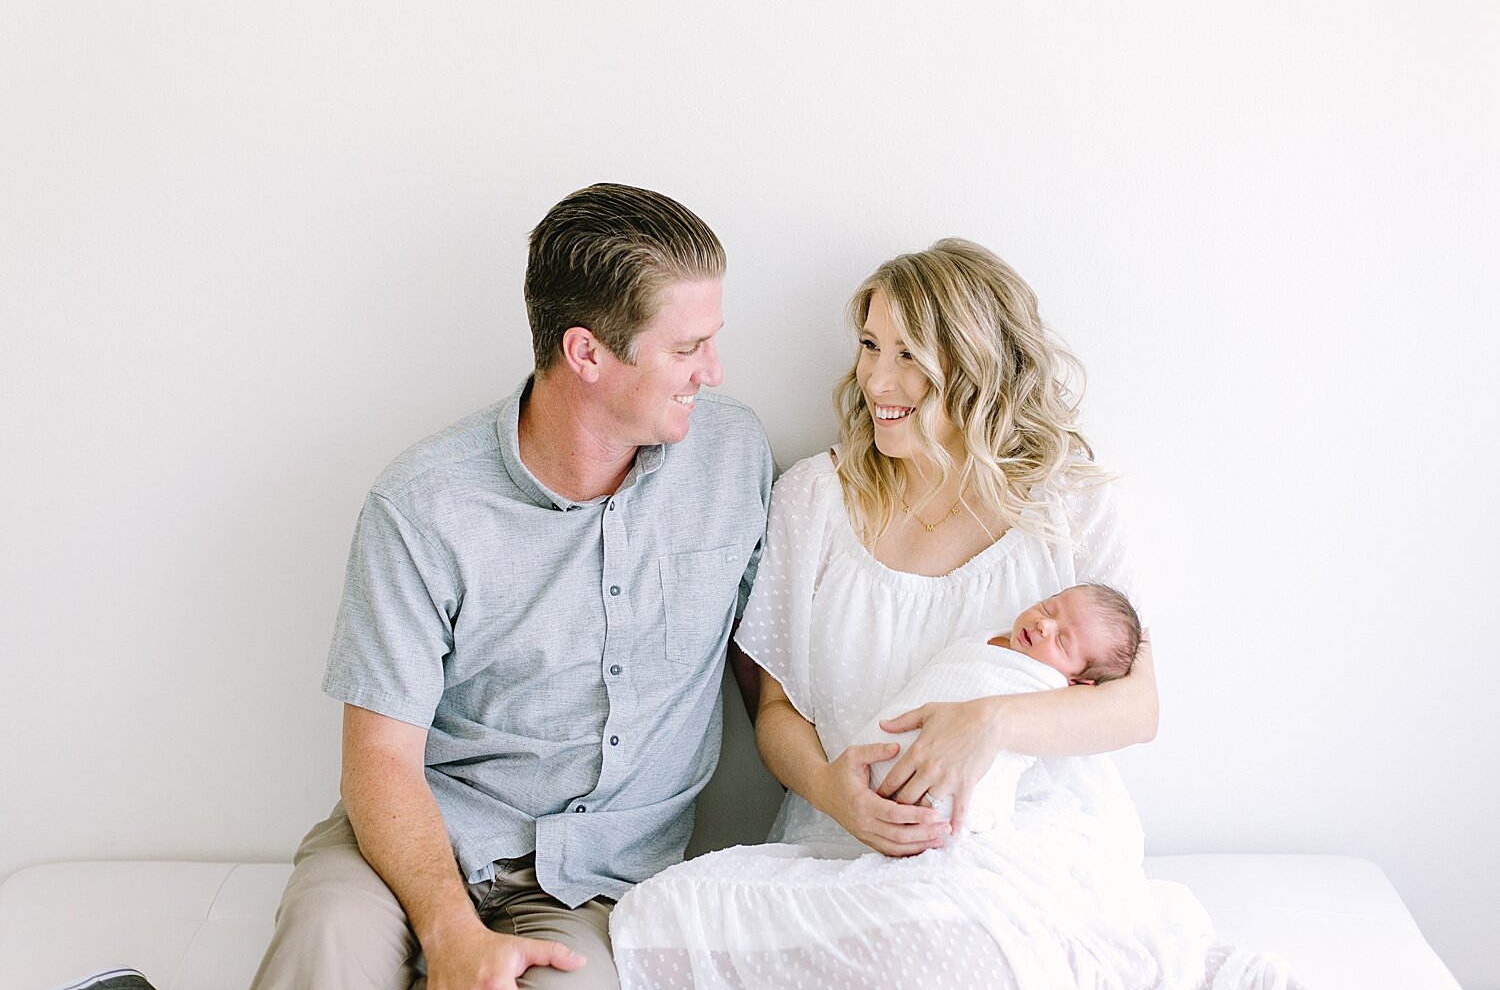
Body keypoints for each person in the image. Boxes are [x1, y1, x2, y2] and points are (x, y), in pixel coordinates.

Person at [609, 239, 1297, 989]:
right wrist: (831, 791)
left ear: (973, 366)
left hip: (1027, 848)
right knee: (660, 918)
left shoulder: (1067, 505)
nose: (876, 378)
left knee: (956, 948)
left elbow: (1138, 707)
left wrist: (989, 724)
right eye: (870, 345)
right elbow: (774, 707)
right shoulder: (813, 500)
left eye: (908, 355)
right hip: (849, 852)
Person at [251, 183, 774, 990]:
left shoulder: (733, 456)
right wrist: (451, 932)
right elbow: (381, 761)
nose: (713, 369)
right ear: (586, 353)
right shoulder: (424, 505)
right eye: (686, 348)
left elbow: (763, 669)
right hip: (411, 845)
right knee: (326, 949)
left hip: (594, 886)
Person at [856, 582, 1142, 832]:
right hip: (874, 764)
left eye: (1062, 640)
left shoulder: (1047, 688)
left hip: (948, 808)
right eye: (1048, 609)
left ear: (1078, 681)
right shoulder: (988, 636)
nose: (1044, 626)